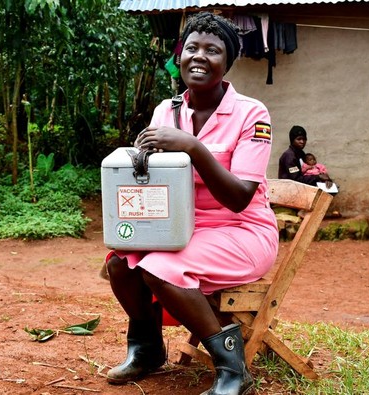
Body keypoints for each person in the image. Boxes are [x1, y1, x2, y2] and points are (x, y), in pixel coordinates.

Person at [104, 12, 278, 395]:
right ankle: (148, 350)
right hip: (179, 229)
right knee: (120, 263)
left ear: (226, 63)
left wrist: (194, 148)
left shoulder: (252, 114)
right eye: (192, 48)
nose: (200, 56)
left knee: (159, 269)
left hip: (241, 232)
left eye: (213, 50)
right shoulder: (166, 112)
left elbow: (239, 198)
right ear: (179, 55)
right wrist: (139, 160)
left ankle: (233, 371)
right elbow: (153, 179)